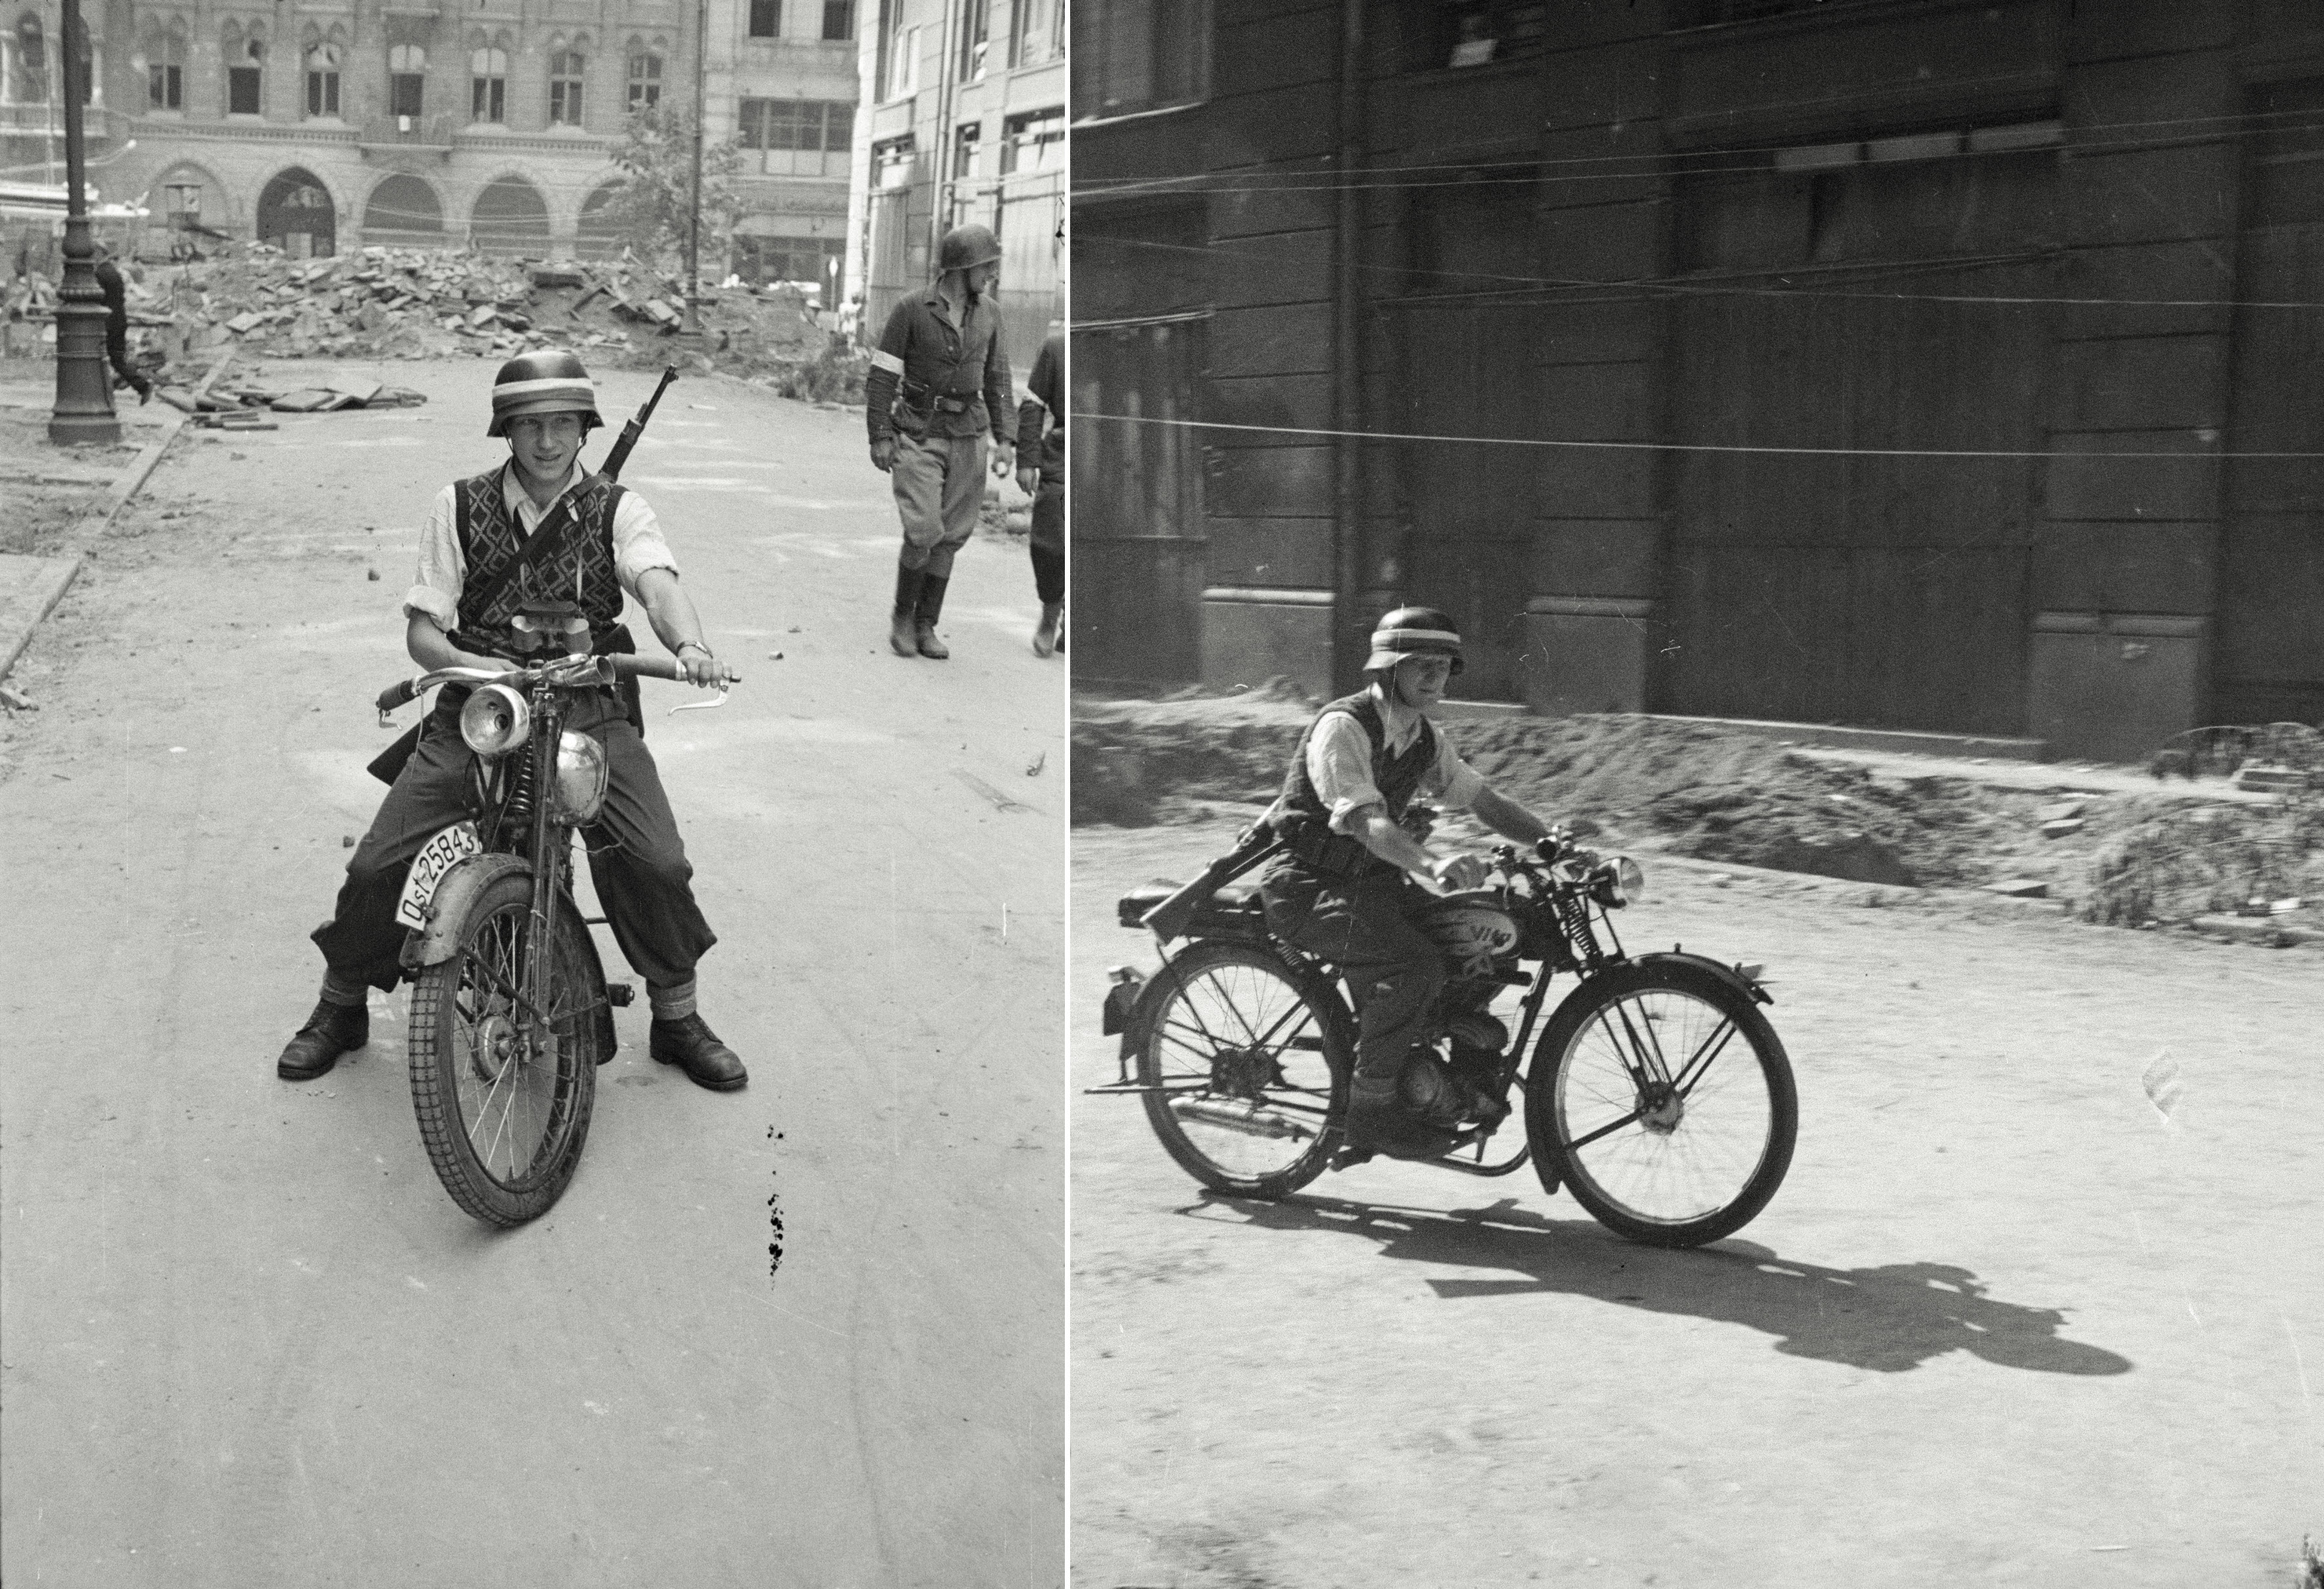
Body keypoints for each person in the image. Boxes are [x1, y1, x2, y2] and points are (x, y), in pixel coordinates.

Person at [273, 352, 750, 1092]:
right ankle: (341, 1004)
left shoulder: (618, 508)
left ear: (584, 429)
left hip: (587, 700)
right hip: (483, 705)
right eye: (531, 425)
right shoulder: (458, 505)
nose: (548, 442)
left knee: (654, 859)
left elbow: (656, 584)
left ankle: (676, 1016)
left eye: (563, 424)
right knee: (379, 862)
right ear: (507, 430)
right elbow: (424, 631)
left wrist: (688, 645)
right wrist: (478, 666)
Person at [1257, 607, 1557, 1157]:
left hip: (1369, 882)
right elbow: (1365, 821)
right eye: (1419, 664)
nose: (1433, 677)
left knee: (1486, 940)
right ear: (1385, 668)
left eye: (1443, 666)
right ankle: (1370, 1115)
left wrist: (1551, 843)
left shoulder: (1422, 737)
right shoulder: (1343, 726)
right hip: (1306, 885)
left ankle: (1454, 1073)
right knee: (1412, 964)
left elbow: (1482, 800)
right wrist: (1430, 863)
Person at [863, 223, 1014, 660]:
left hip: (969, 434)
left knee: (951, 536)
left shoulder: (991, 314)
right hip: (919, 432)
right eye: (986, 268)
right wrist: (880, 435)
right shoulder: (911, 309)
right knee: (924, 528)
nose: (991, 276)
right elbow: (883, 375)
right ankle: (902, 615)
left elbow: (998, 378)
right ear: (961, 268)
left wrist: (1004, 439)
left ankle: (927, 624)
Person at [1016, 324, 1064, 658]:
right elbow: (1033, 405)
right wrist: (1027, 461)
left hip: (1103, 451)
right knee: (1048, 540)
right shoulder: (1056, 348)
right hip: (1060, 454)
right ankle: (1050, 614)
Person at [92, 244, 154, 404]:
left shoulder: (100, 274)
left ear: (100, 253)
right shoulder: (113, 272)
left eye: (93, 253)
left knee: (104, 357)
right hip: (118, 320)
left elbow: (96, 298)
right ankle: (136, 386)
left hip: (109, 322)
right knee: (115, 358)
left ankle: (140, 386)